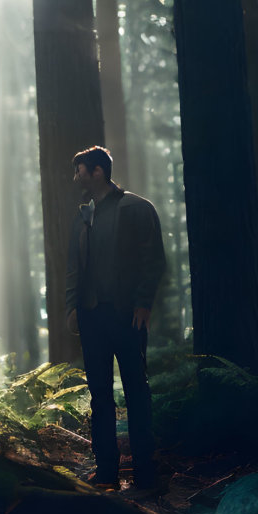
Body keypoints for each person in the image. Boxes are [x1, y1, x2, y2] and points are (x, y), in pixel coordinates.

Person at [66, 146, 166, 493]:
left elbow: (154, 259)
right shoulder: (84, 216)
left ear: (97, 172)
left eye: (79, 170)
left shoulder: (137, 208)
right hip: (93, 319)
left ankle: (146, 475)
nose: (76, 177)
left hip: (127, 317)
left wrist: (143, 304)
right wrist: (72, 308)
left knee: (137, 393)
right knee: (100, 396)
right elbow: (73, 268)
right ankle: (107, 471)